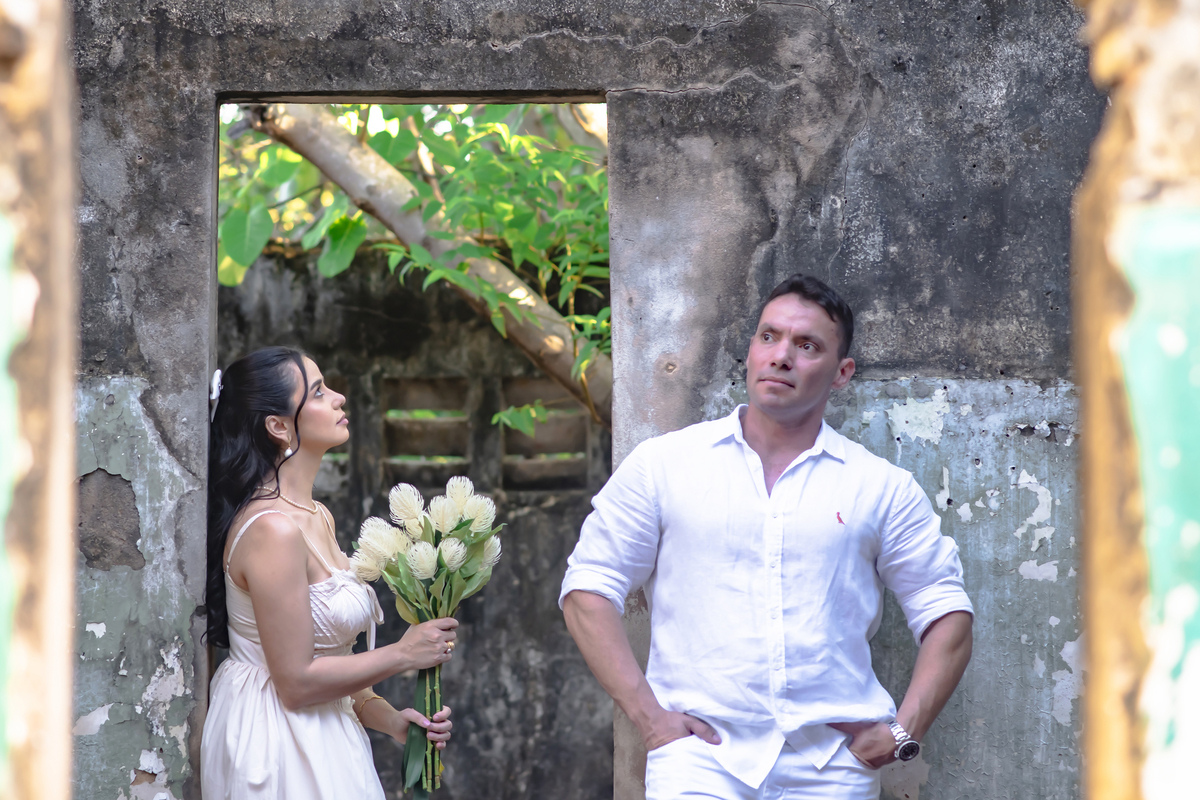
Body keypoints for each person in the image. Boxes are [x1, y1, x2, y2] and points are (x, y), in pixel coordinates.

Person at [560, 275, 974, 799]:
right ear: (752, 350)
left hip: (831, 768)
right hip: (698, 763)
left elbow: (946, 612)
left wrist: (901, 731)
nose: (781, 357)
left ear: (842, 372)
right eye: (769, 337)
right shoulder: (665, 465)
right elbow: (588, 588)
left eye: (807, 346)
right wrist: (651, 720)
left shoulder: (880, 487)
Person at [201, 346, 457, 799]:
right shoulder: (272, 530)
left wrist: (393, 721)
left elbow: (332, 660)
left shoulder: (317, 515)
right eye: (318, 392)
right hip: (277, 743)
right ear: (279, 427)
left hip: (327, 732)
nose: (339, 398)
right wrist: (404, 653)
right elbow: (297, 683)